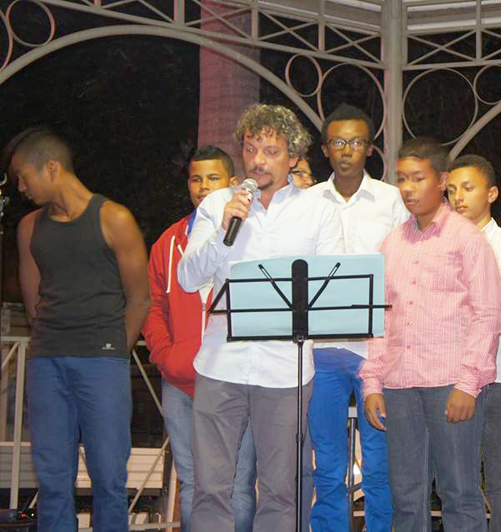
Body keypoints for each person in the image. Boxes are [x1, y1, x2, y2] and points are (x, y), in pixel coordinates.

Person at [177, 104, 345, 531]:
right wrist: (223, 232)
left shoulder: (319, 210)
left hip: (285, 369)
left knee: (281, 491)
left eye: (271, 151)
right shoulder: (218, 204)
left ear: (293, 157)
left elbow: (333, 289)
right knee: (210, 488)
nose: (257, 160)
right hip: (220, 364)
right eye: (251, 148)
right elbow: (187, 277)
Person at [7, 126, 150, 531]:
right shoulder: (29, 227)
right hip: (47, 362)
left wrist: (112, 351)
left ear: (51, 168)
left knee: (109, 478)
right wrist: (52, 342)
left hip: (101, 362)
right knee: (53, 479)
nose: (21, 188)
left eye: (24, 177)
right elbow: (34, 302)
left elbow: (140, 298)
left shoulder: (114, 219)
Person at [361, 138, 501, 532]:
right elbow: (379, 317)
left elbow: (489, 314)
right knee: (406, 496)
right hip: (398, 385)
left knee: (459, 492)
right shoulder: (391, 243)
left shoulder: (466, 238)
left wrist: (468, 384)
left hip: (450, 384)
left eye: (418, 178)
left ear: (442, 181)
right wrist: (372, 382)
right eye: (402, 179)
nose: (408, 188)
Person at [142, 146, 256, 531]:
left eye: (213, 178)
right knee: (191, 484)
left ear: (233, 183)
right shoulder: (168, 242)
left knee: (238, 485)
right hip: (181, 383)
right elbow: (153, 304)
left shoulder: (251, 236)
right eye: (196, 179)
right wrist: (166, 355)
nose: (203, 187)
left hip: (236, 379)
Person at [306, 103, 406, 532]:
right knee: (327, 462)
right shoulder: (307, 201)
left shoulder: (392, 200)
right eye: (338, 142)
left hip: (376, 348)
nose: (347, 150)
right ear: (325, 149)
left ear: (369, 149)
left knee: (380, 462)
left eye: (356, 142)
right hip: (321, 348)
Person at [446, 154, 501, 532]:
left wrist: (456, 298)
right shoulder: (436, 246)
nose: (458, 197)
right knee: (455, 485)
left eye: (468, 188)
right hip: (447, 376)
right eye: (451, 190)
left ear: (492, 193)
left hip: (500, 377)